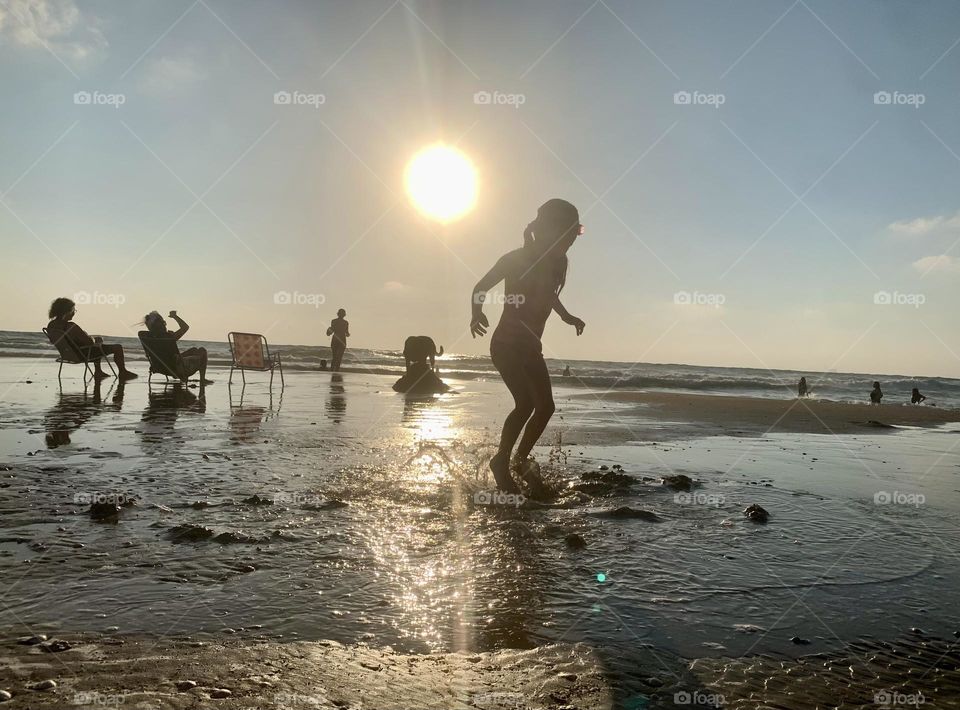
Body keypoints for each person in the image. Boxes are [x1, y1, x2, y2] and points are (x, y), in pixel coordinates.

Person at [470, 198, 585, 495]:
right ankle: (501, 461)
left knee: (546, 407)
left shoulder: (557, 264)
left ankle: (520, 461)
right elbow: (481, 287)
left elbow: (548, 293)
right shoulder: (515, 259)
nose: (573, 240)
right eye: (570, 233)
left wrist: (566, 316)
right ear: (548, 229)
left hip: (531, 349)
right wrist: (476, 313)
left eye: (577, 233)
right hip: (506, 346)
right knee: (525, 404)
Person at [46, 297, 138, 380]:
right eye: (73, 310)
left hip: (67, 355)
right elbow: (89, 342)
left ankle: (98, 371)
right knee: (117, 347)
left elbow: (54, 341)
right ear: (67, 311)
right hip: (82, 355)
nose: (74, 312)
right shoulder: (71, 326)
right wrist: (94, 339)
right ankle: (122, 372)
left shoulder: (51, 325)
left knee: (95, 346)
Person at [141, 310, 211, 384]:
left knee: (194, 350)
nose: (165, 323)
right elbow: (185, 327)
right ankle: (202, 380)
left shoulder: (146, 337)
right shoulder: (168, 337)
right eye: (163, 322)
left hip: (160, 367)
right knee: (202, 351)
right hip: (176, 368)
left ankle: (182, 375)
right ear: (161, 324)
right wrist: (175, 316)